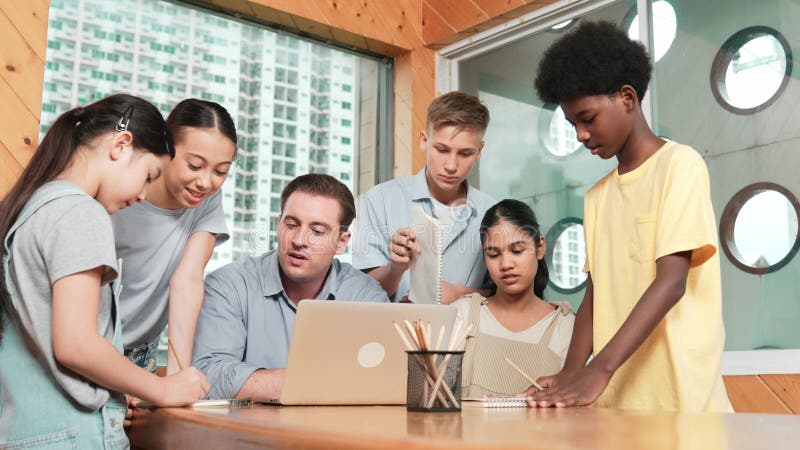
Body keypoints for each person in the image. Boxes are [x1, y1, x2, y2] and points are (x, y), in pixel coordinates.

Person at [525, 21, 731, 412]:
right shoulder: (597, 197)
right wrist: (573, 371)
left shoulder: (679, 166)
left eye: (588, 118)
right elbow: (596, 293)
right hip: (616, 400)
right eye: (573, 125)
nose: (581, 135)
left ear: (626, 97)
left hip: (679, 400)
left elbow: (671, 283)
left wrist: (598, 369)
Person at [0, 94, 209, 448]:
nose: (143, 195)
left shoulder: (32, 208)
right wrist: (162, 388)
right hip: (71, 436)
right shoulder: (82, 212)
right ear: (121, 145)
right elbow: (76, 344)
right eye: (148, 176)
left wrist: (114, 388)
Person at [192, 173, 389, 401]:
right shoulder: (229, 285)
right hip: (249, 434)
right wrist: (327, 382)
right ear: (279, 224)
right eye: (292, 225)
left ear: (342, 242)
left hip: (337, 434)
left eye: (317, 231)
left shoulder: (366, 296)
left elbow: (383, 381)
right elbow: (210, 378)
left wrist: (265, 383)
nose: (298, 240)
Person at [112, 99, 236, 374]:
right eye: (194, 165)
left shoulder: (208, 199)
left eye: (220, 171)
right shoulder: (118, 190)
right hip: (95, 344)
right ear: (166, 147)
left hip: (141, 351)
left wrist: (179, 376)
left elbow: (187, 281)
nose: (205, 182)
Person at [353, 91, 496, 303]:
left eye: (465, 153)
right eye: (442, 149)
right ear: (424, 140)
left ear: (479, 151)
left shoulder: (493, 212)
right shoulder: (380, 199)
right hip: (392, 333)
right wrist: (395, 268)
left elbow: (505, 295)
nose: (451, 166)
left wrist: (462, 295)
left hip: (466, 335)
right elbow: (363, 294)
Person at [454, 199, 574, 398]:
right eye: (493, 254)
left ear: (540, 247)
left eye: (517, 251)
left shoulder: (565, 325)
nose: (506, 264)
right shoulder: (464, 314)